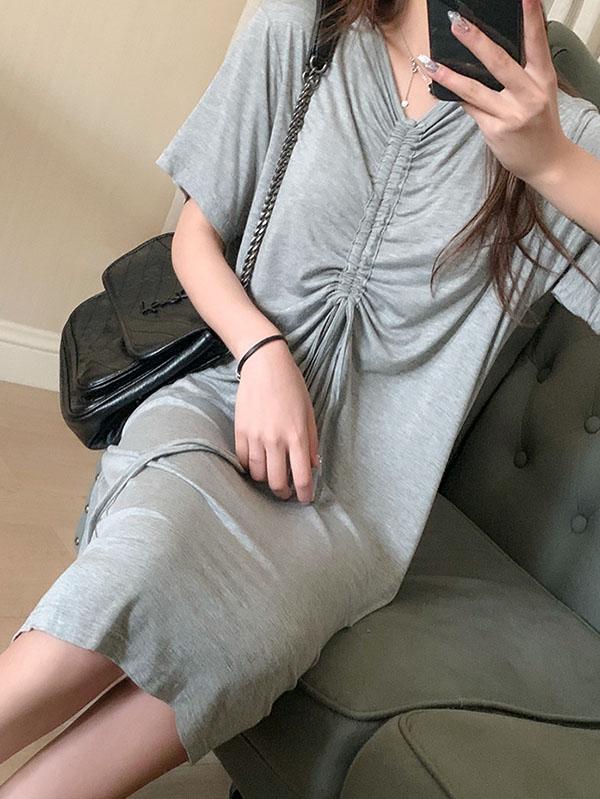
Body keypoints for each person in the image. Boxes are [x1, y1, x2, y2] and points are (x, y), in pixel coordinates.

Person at [2, 0, 599, 796]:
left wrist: (550, 162)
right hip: (219, 398)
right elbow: (196, 238)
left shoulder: (563, 138)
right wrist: (262, 352)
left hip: (352, 507)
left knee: (248, 636)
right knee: (151, 555)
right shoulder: (307, 26)